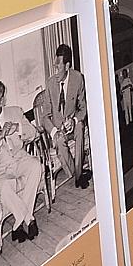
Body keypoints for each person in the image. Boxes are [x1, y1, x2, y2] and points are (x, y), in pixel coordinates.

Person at [0, 80, 44, 243]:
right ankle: (27, 218)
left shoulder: (15, 112)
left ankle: (18, 222)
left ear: (2, 100)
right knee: (3, 187)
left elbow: (34, 134)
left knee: (35, 165)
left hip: (20, 160)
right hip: (2, 173)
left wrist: (17, 128)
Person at [38, 44, 89, 190]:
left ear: (67, 66)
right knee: (59, 140)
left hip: (72, 126)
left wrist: (73, 120)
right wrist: (54, 131)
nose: (56, 71)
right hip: (58, 130)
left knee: (80, 126)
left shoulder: (78, 78)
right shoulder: (50, 83)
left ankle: (79, 175)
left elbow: (83, 107)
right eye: (55, 67)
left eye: (58, 67)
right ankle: (76, 173)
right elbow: (45, 116)